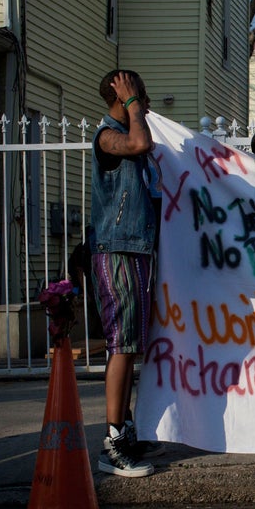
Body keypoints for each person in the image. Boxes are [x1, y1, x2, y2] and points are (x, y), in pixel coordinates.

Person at [90, 69, 165, 477]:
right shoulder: (107, 137)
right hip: (116, 249)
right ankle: (113, 442)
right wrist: (133, 101)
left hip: (136, 248)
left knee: (132, 343)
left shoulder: (129, 133)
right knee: (121, 344)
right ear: (122, 96)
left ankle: (128, 429)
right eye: (140, 94)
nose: (146, 102)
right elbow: (139, 142)